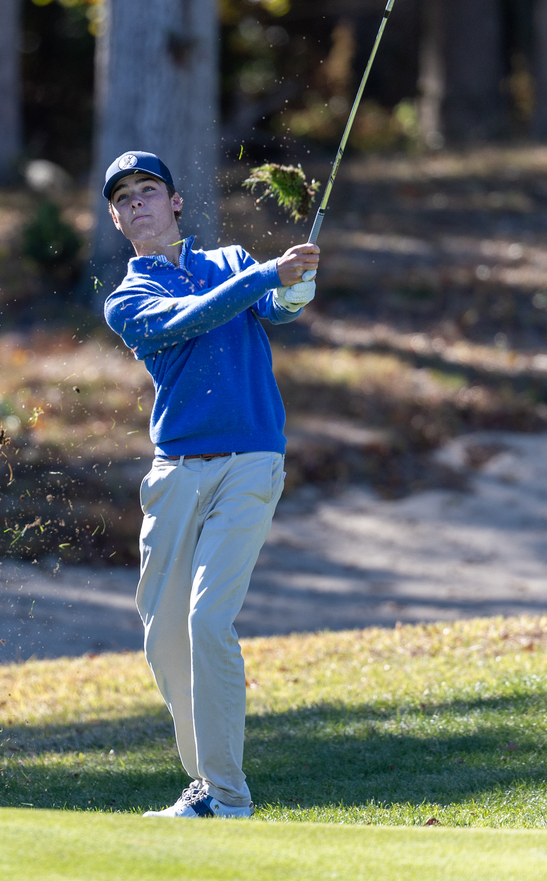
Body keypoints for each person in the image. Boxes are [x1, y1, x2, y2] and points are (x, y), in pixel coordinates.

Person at [100, 150, 318, 819]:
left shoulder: (231, 262)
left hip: (251, 461)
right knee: (165, 640)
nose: (137, 202)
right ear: (116, 220)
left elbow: (277, 310)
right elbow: (184, 320)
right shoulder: (127, 300)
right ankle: (206, 784)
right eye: (124, 197)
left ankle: (227, 794)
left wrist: (297, 282)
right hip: (175, 475)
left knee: (207, 619)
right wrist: (263, 277)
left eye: (148, 190)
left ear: (175, 204)